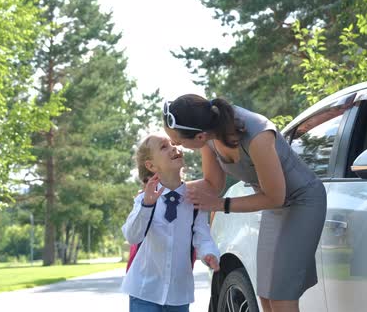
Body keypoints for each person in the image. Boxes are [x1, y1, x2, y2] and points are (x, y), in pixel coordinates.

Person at [163, 95, 327, 312]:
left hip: (302, 201)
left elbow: (274, 196)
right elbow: (213, 183)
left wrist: (220, 204)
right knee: (267, 295)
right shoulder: (209, 135)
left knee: (282, 295)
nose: (176, 146)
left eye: (179, 141)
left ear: (200, 136)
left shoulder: (257, 135)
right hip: (273, 205)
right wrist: (166, 190)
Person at [121, 133, 220, 312]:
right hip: (144, 290)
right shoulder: (144, 199)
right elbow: (132, 236)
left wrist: (209, 253)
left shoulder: (195, 200)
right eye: (164, 147)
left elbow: (202, 237)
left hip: (178, 294)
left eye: (173, 144)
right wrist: (147, 205)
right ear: (151, 165)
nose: (174, 148)